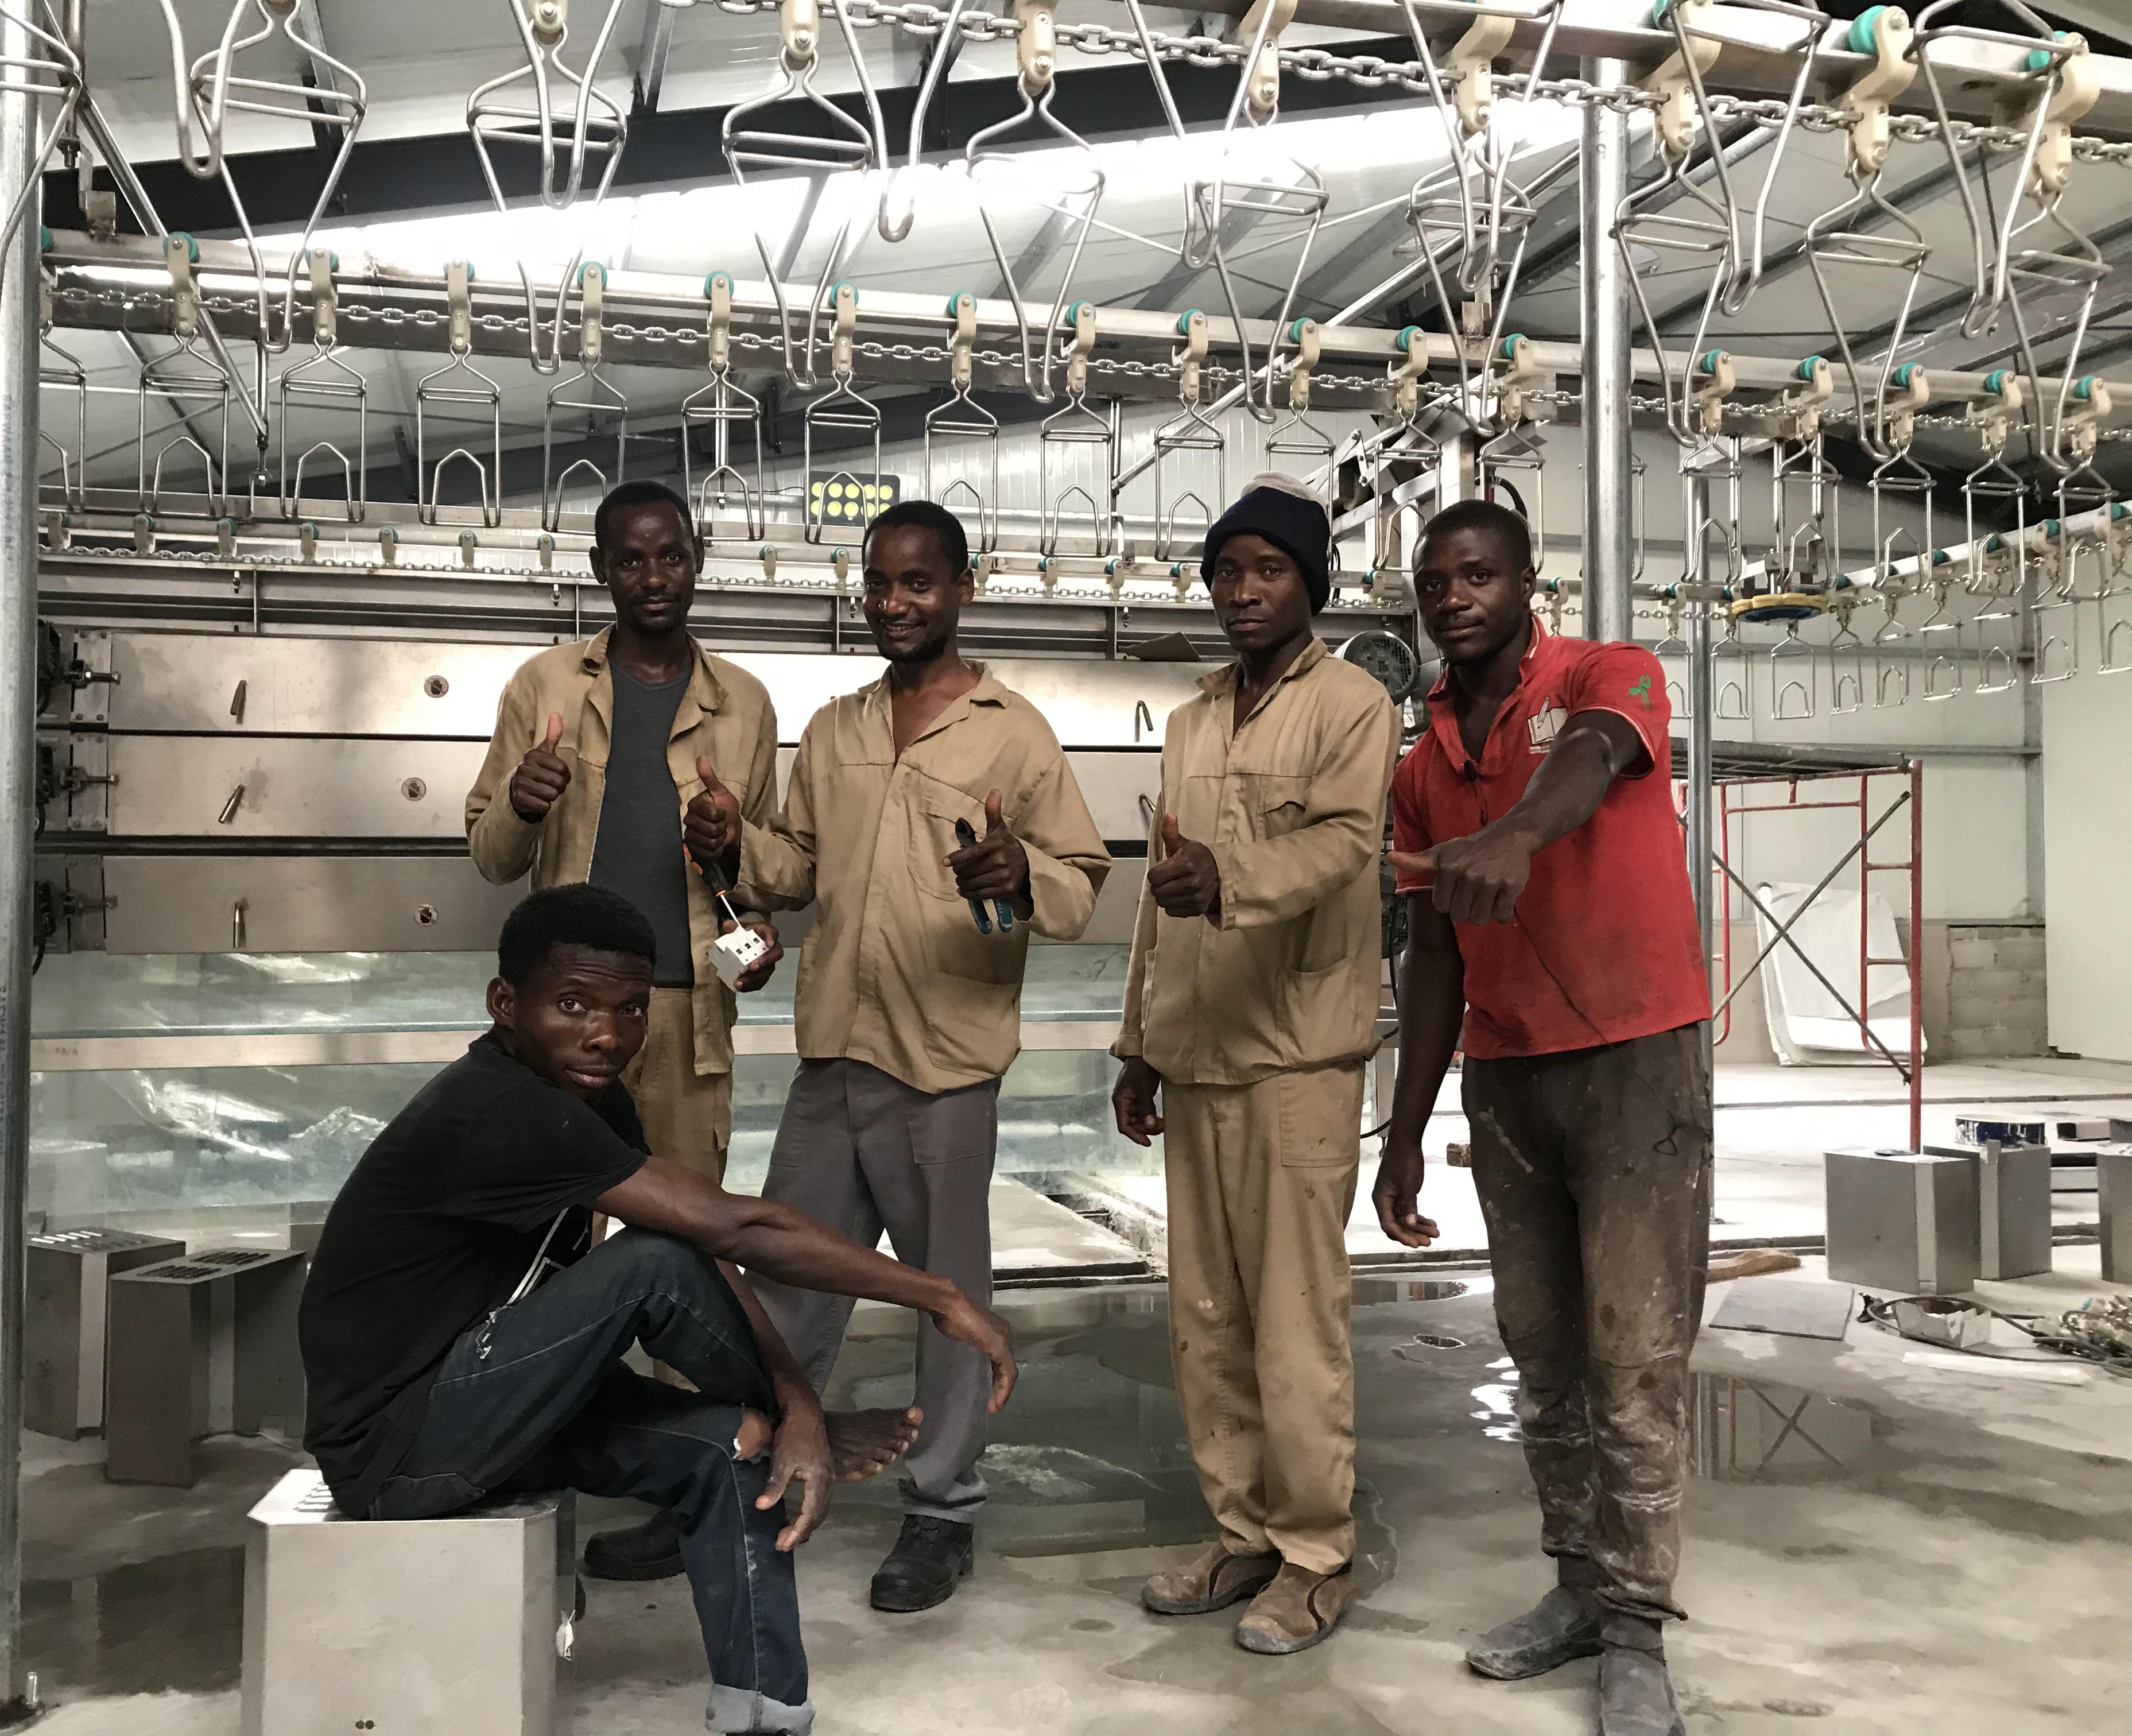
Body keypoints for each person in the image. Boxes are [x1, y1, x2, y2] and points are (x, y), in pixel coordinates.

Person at [299, 883, 1017, 1736]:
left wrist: (795, 1409)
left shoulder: (591, 1098)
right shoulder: (500, 1107)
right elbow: (735, 1227)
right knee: (648, 1263)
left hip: (487, 1396)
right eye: (573, 1005)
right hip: (400, 1444)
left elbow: (706, 1247)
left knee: (734, 1448)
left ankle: (766, 1715)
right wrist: (938, 1293)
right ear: (506, 1004)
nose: (607, 1035)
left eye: (631, 1009)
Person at [682, 498, 1110, 1614]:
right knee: (784, 1285)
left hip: (944, 1066)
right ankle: (755, 1471)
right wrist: (735, 841)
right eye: (878, 583)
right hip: (834, 1056)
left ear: (963, 588)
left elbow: (1080, 886)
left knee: (947, 1297)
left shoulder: (1014, 733)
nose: (895, 602)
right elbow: (794, 868)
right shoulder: (835, 729)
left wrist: (1022, 875)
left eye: (918, 582)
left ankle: (942, 1509)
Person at [1371, 497, 1712, 1736]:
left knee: (1636, 1356)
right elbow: (1436, 960)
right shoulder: (1421, 769)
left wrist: (1514, 833)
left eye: (1478, 575)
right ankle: (1577, 1585)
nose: (1454, 598)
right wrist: (1404, 1131)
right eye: (1436, 582)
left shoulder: (1603, 676)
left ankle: (1637, 1628)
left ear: (1526, 585)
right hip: (1508, 1076)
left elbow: (1600, 753)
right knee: (1543, 1354)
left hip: (1635, 1062)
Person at [463, 478, 781, 1580]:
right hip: (562, 1027)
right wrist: (525, 801)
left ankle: (692, 1487)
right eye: (631, 560)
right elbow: (489, 854)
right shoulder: (546, 685)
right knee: (546, 1248)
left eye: (671, 556)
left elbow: (764, 875)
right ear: (601, 571)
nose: (654, 578)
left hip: (685, 1013)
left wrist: (741, 872)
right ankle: (538, 1446)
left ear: (698, 560)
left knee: (691, 1251)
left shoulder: (743, 704)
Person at [1109, 474, 1400, 1656]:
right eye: (1226, 572)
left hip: (1296, 1058)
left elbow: (1345, 844)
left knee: (1294, 1321)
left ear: (1309, 585)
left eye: (1267, 570)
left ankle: (1316, 1556)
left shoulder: (1353, 705)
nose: (1242, 591)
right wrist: (1138, 1042)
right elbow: (1159, 893)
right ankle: (1242, 1534)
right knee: (1208, 1318)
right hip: (1198, 1052)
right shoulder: (1191, 722)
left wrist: (1229, 880)